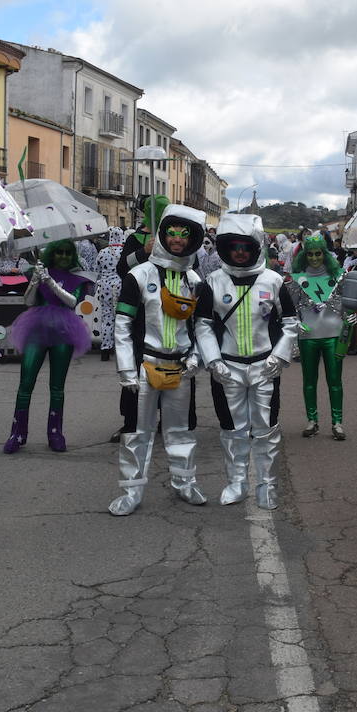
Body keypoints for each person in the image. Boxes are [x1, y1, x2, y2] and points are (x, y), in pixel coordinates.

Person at [108, 203, 208, 516]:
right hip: (144, 366)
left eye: (184, 234)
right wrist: (126, 367)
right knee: (138, 433)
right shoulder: (138, 276)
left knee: (180, 432)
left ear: (192, 239)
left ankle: (185, 483)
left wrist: (195, 356)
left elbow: (198, 326)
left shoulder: (194, 280)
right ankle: (131, 492)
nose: (177, 239)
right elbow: (123, 325)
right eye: (172, 233)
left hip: (180, 366)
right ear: (162, 235)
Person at [194, 212, 298, 508]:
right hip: (228, 367)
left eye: (245, 246)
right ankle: (236, 481)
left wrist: (279, 357)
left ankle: (266, 485)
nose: (239, 252)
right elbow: (202, 324)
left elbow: (291, 323)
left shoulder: (274, 280)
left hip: (265, 365)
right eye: (234, 246)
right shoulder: (213, 281)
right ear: (225, 248)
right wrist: (213, 361)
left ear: (256, 247)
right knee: (232, 429)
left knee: (266, 428)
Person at [3, 239, 94, 453]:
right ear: (52, 254)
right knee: (25, 383)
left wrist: (50, 282)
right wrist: (35, 281)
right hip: (36, 330)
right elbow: (28, 302)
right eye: (59, 252)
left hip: (64, 332)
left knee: (57, 387)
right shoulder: (40, 271)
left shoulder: (77, 279)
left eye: (67, 253)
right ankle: (17, 433)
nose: (63, 256)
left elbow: (72, 302)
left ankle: (55, 434)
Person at [286, 232, 352, 439]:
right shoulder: (297, 280)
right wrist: (297, 324)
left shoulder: (339, 276)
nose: (314, 258)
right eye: (310, 254)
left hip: (333, 335)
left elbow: (349, 306)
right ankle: (312, 421)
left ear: (325, 254)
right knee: (309, 380)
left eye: (318, 254)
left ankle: (337, 423)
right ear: (304, 255)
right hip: (308, 337)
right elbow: (289, 310)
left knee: (335, 380)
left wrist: (350, 319)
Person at [95, 226, 127, 361]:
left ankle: (105, 350)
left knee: (107, 318)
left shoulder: (102, 252)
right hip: (121, 286)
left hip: (105, 287)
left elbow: (96, 270)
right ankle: (122, 350)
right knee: (122, 318)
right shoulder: (124, 252)